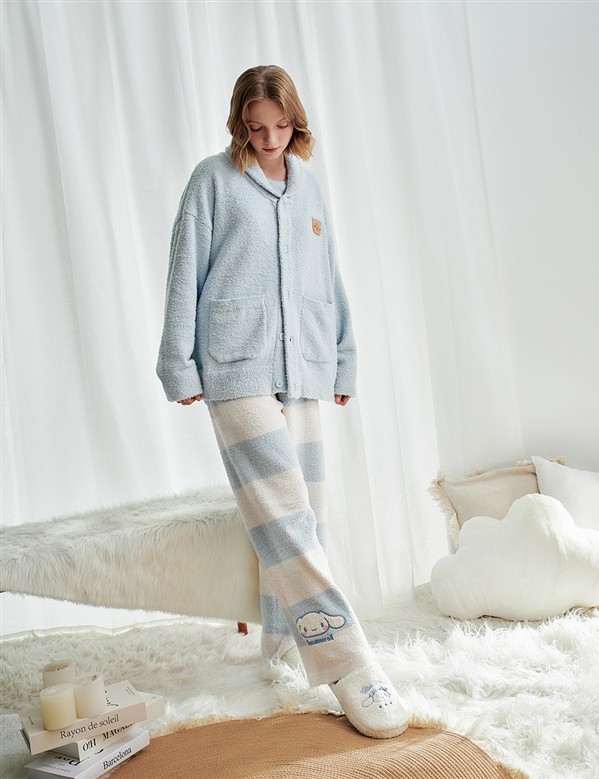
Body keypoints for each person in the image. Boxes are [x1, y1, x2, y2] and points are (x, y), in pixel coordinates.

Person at [156, 65, 409, 739]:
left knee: (307, 517)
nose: (268, 138)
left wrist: (343, 357)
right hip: (234, 365)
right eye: (255, 127)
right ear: (239, 123)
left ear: (296, 121)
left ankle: (282, 649)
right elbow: (184, 271)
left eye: (280, 125)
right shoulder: (212, 180)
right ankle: (350, 662)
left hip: (304, 365)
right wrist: (178, 363)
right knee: (287, 520)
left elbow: (328, 276)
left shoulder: (309, 186)